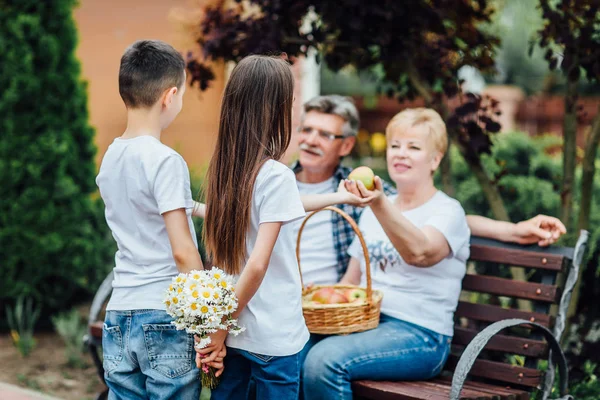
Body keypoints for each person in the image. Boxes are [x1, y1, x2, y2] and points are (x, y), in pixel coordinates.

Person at [196, 55, 373, 400]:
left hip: (236, 332)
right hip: (272, 338)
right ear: (274, 109)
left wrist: (340, 198)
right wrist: (218, 328)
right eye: (290, 102)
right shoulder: (276, 174)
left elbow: (278, 207)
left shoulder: (227, 169)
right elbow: (258, 265)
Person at [293, 95, 566, 287]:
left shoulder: (356, 193)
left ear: (346, 146)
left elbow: (438, 216)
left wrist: (513, 230)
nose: (311, 141)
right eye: (307, 130)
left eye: (325, 135)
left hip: (329, 312)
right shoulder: (275, 184)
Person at [302, 108, 469, 399]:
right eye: (395, 146)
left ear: (435, 160)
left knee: (323, 361)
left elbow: (420, 252)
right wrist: (320, 296)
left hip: (422, 336)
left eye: (413, 147)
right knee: (289, 349)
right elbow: (351, 281)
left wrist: (378, 205)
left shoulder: (447, 211)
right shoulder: (377, 209)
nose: (400, 154)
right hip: (368, 323)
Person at [96, 40, 221, 399]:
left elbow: (150, 207)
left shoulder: (112, 157)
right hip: (162, 313)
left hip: (119, 313)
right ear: (169, 96)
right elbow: (183, 251)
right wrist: (204, 322)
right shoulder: (165, 160)